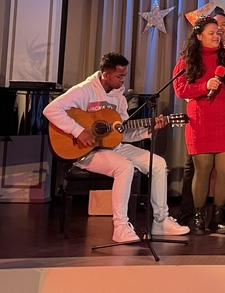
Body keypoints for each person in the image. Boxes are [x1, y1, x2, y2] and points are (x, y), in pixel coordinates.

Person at [43, 52, 190, 243]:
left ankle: (160, 221)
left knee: (158, 164)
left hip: (113, 146)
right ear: (105, 74)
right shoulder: (84, 90)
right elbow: (50, 110)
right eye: (119, 76)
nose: (123, 80)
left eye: (124, 76)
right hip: (86, 151)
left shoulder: (119, 97)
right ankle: (120, 227)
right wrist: (78, 131)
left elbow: (122, 131)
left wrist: (149, 129)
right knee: (124, 166)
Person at [178, 7, 225, 228]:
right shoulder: (188, 59)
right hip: (200, 122)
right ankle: (199, 215)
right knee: (202, 170)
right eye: (211, 32)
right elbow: (180, 88)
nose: (217, 35)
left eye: (219, 32)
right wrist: (203, 86)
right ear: (199, 35)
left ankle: (220, 215)